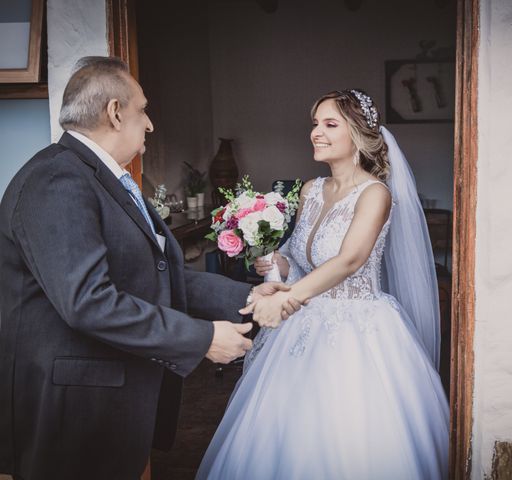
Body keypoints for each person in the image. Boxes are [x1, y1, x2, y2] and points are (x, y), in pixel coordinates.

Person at [0, 56, 301, 480]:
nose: (150, 124)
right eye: (143, 110)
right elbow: (87, 302)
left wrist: (246, 297)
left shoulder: (105, 178)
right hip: (72, 412)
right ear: (115, 112)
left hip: (105, 399)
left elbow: (153, 271)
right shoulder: (57, 180)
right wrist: (201, 339)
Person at [195, 89, 450, 479]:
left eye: (330, 124)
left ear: (359, 135)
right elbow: (300, 258)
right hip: (302, 323)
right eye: (315, 123)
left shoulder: (375, 194)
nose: (317, 132)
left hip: (357, 328)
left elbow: (350, 259)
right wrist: (275, 261)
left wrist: (287, 298)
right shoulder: (311, 190)